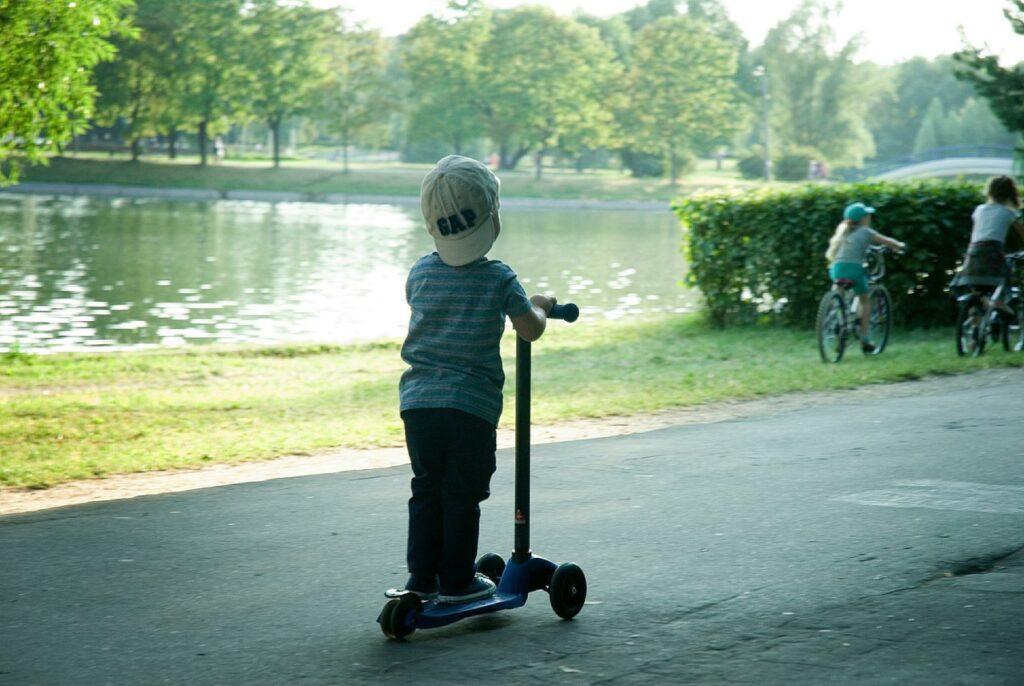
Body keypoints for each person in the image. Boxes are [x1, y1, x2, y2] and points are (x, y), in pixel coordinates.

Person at [386, 155, 555, 605]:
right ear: (491, 216)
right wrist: (541, 305)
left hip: (419, 403)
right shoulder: (499, 278)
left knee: (427, 489)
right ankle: (458, 580)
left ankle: (423, 577)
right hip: (470, 407)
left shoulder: (420, 272)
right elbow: (529, 329)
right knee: (462, 493)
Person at [825, 202, 906, 353]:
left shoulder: (842, 231)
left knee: (839, 294)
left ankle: (839, 320)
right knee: (865, 300)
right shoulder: (866, 232)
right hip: (854, 270)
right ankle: (864, 338)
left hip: (836, 269)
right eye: (868, 215)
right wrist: (899, 245)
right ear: (863, 219)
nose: (869, 218)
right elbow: (887, 241)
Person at [949, 175, 1024, 316]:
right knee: (1005, 276)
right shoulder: (1008, 213)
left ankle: (974, 318)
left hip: (973, 251)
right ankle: (999, 302)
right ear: (1011, 194)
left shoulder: (979, 210)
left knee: (976, 287)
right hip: (992, 251)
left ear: (990, 191)